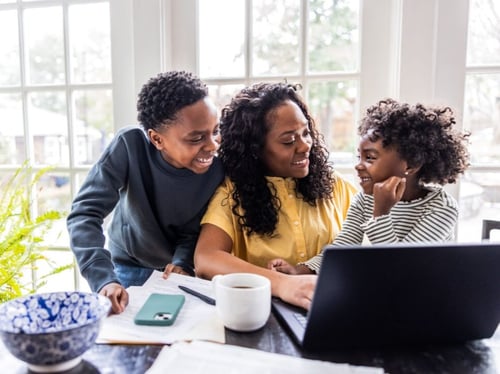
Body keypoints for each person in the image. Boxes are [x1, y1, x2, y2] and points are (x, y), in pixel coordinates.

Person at [67, 71, 224, 314]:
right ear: (157, 139)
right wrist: (104, 279)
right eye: (196, 138)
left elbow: (196, 227)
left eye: (215, 131)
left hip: (181, 271)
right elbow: (84, 215)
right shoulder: (129, 146)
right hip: (127, 266)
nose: (213, 145)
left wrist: (182, 263)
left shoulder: (217, 167)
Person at [193, 82, 357, 310]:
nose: (304, 146)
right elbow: (206, 258)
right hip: (265, 315)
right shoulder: (231, 195)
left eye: (306, 133)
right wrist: (283, 284)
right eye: (288, 140)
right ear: (255, 149)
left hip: (336, 308)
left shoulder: (335, 185)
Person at [269, 98, 470, 275]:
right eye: (359, 156)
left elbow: (404, 267)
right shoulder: (365, 199)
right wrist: (299, 270)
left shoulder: (441, 208)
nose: (359, 165)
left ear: (410, 165)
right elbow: (343, 248)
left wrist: (381, 214)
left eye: (370, 158)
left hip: (426, 301)